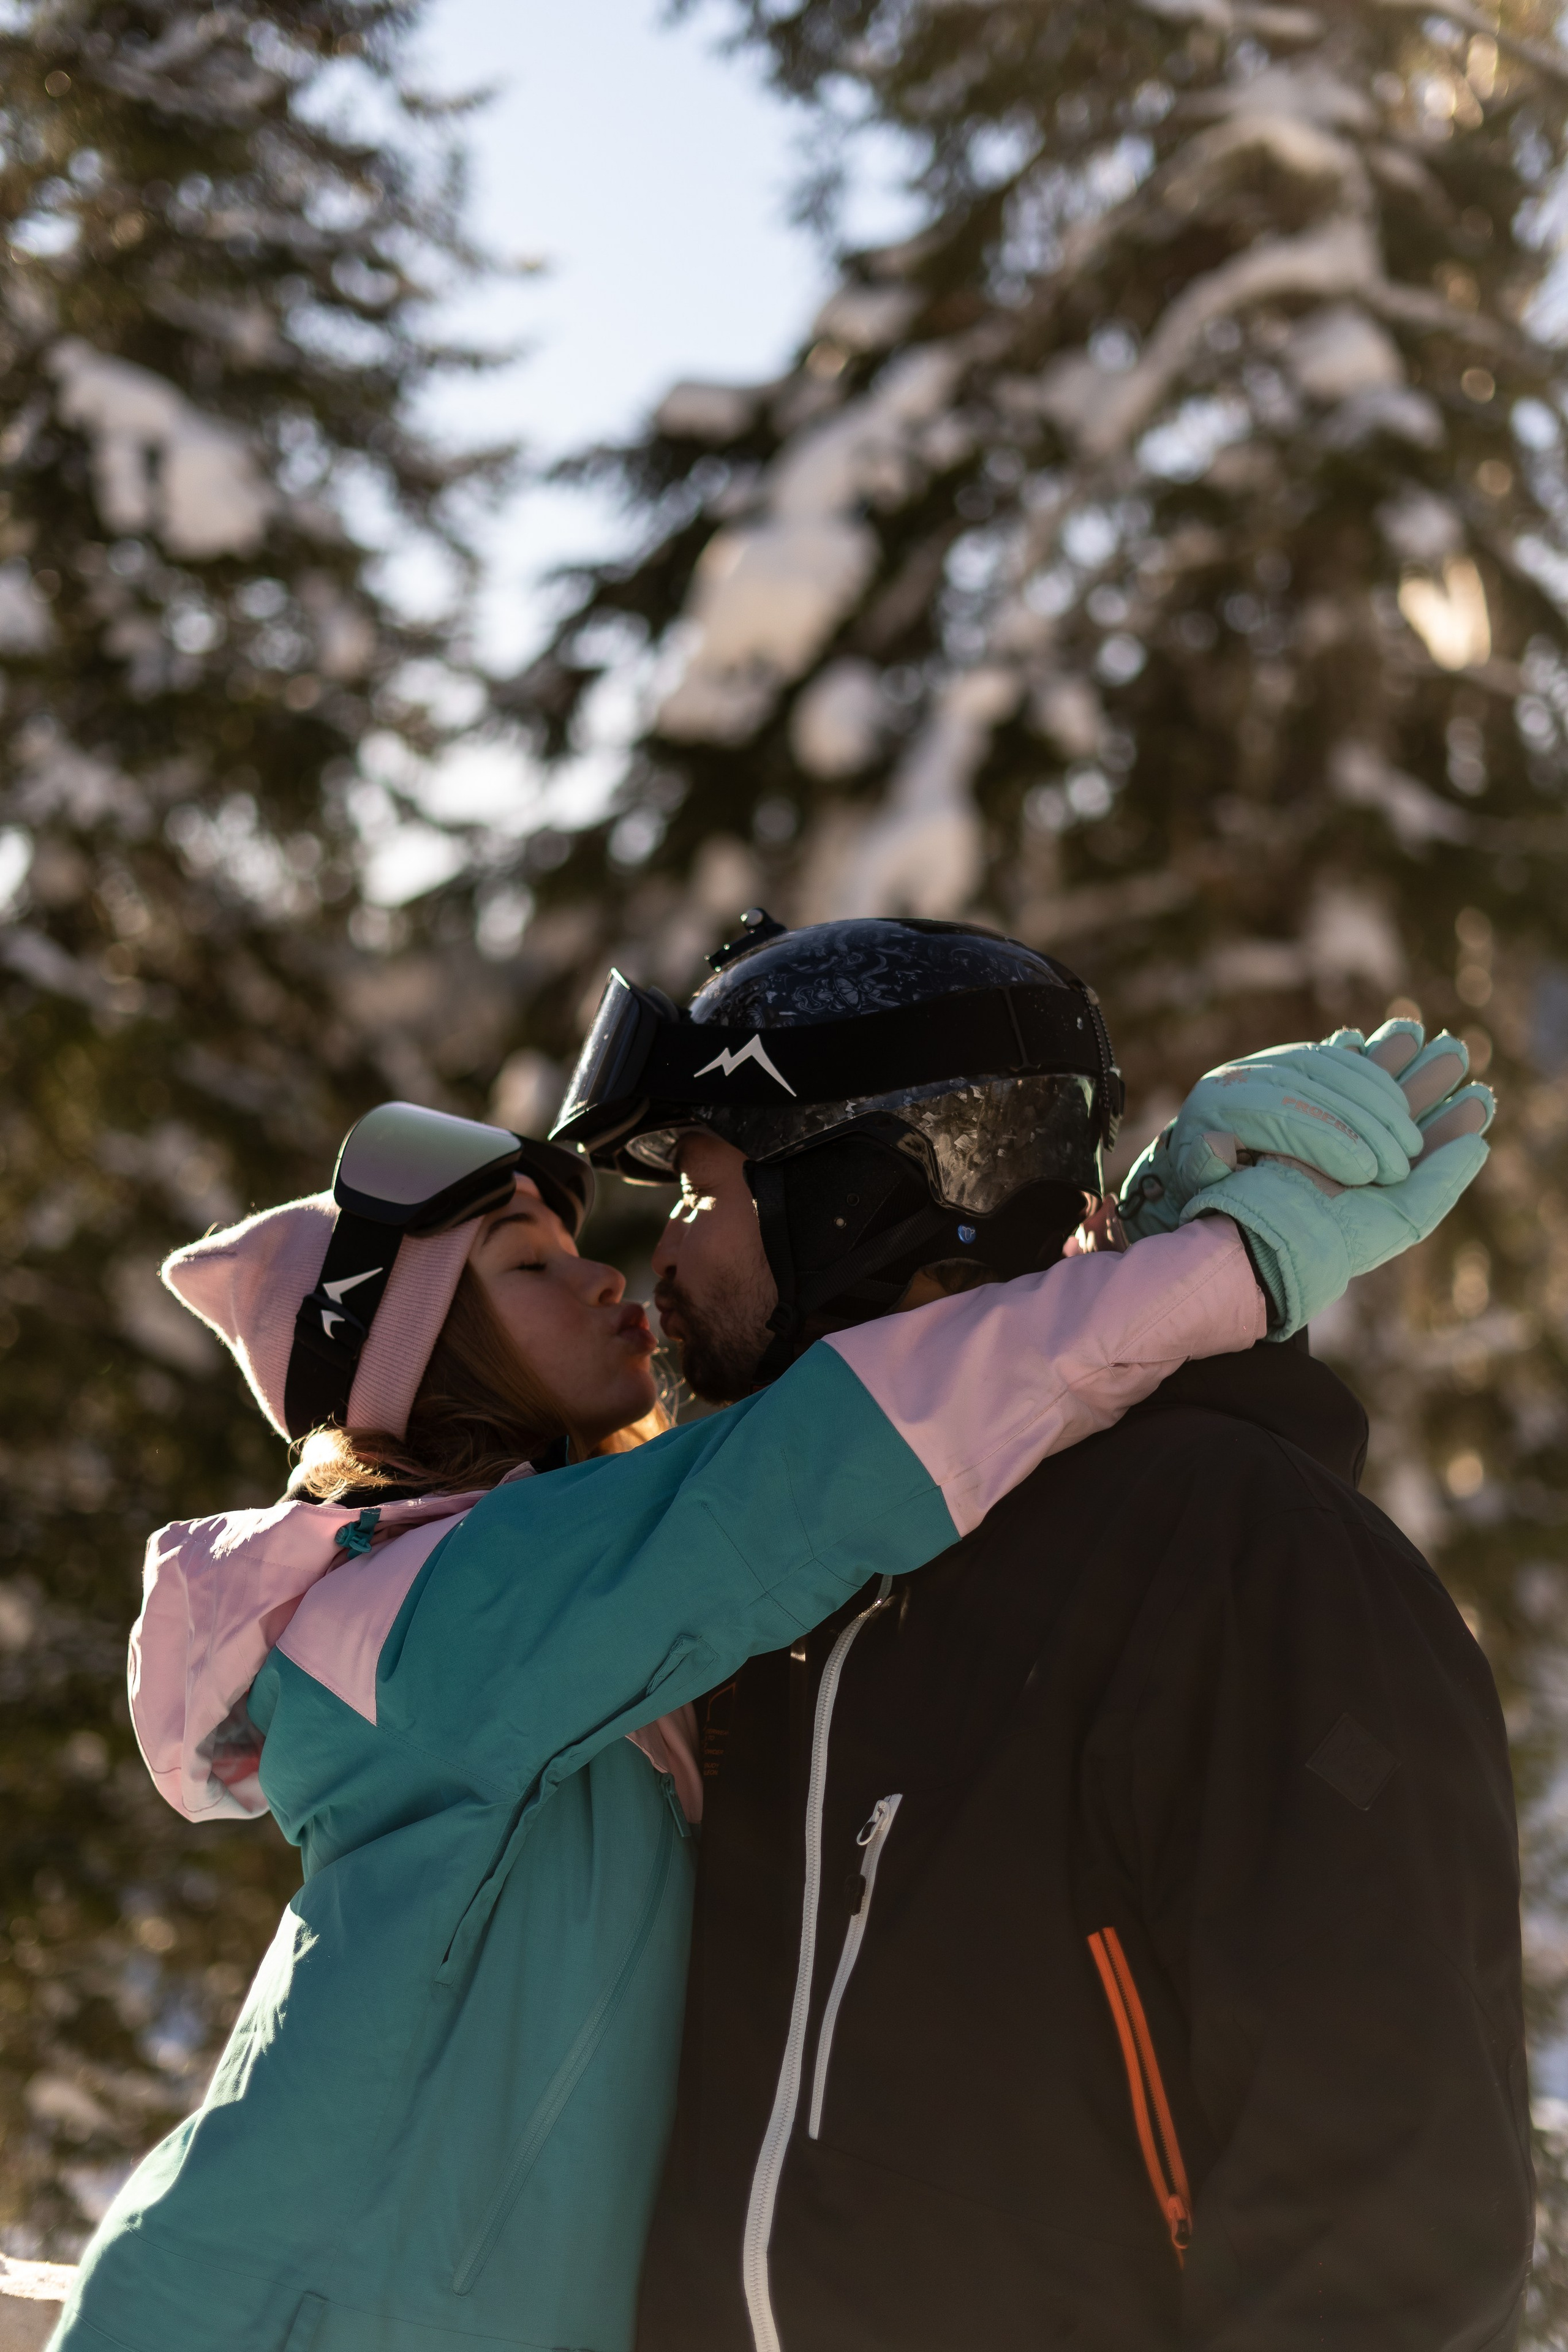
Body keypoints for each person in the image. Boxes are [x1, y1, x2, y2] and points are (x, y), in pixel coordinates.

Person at [49, 1056, 1450, 2352]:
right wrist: (1210, 1275)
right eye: (529, 1267)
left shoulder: (579, 1628)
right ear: (424, 1358)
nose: (609, 1279)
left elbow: (886, 1485)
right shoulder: (426, 1621)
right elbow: (824, 1467)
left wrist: (1095, 1259)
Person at [546, 913, 1529, 2352]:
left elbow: (1388, 2197)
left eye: (704, 1191)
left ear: (859, 1198)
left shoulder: (1225, 1557)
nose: (665, 1256)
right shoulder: (772, 1594)